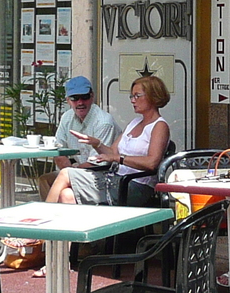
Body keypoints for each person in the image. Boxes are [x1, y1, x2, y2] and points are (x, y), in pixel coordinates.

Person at [46, 75, 170, 206]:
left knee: (65, 173)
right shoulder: (135, 123)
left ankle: (42, 219)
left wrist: (119, 159)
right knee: (66, 195)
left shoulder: (159, 126)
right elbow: (111, 152)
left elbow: (152, 163)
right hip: (115, 180)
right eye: (132, 96)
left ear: (153, 96)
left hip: (135, 185)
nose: (133, 100)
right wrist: (96, 144)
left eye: (137, 96)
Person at [53, 75, 120, 159]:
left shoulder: (103, 122)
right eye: (75, 98)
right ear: (68, 100)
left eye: (85, 97)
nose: (80, 102)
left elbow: (99, 162)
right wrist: (68, 169)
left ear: (92, 97)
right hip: (77, 168)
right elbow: (58, 151)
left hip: (105, 170)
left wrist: (70, 171)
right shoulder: (66, 117)